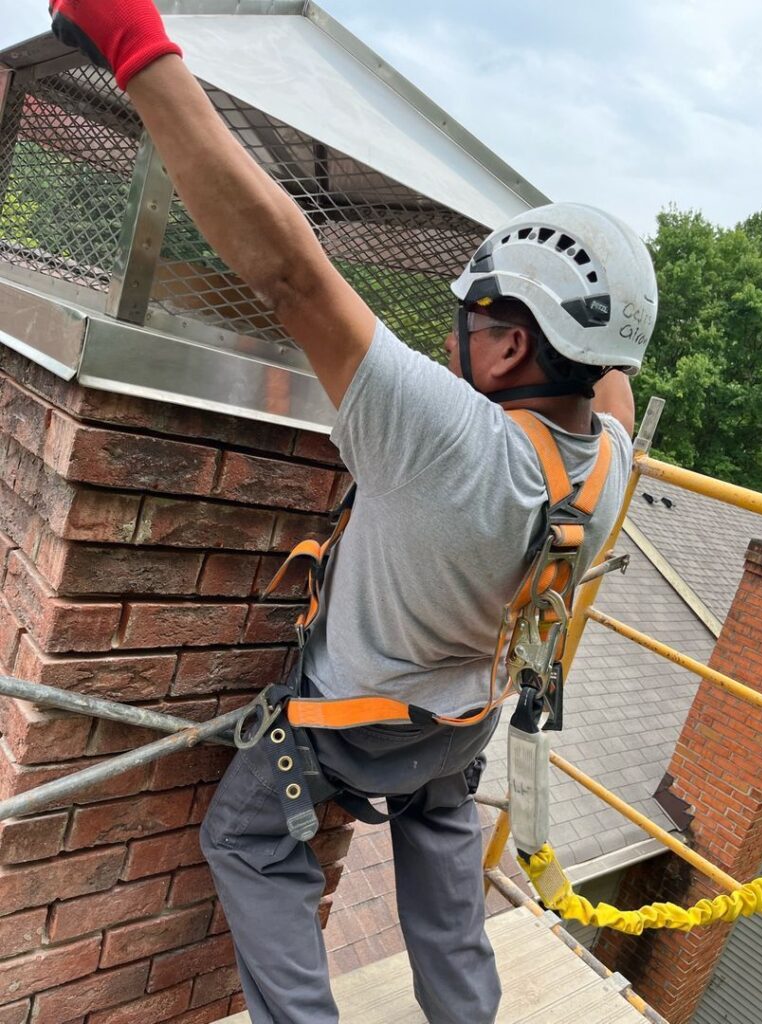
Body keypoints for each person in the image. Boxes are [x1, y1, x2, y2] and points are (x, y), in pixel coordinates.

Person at [49, 4, 658, 1023]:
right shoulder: (609, 469)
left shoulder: (446, 437)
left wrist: (131, 43)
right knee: (441, 822)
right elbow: (613, 383)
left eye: (473, 318)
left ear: (510, 350)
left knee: (247, 838)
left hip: (351, 730)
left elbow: (289, 272)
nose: (456, 336)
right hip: (457, 724)